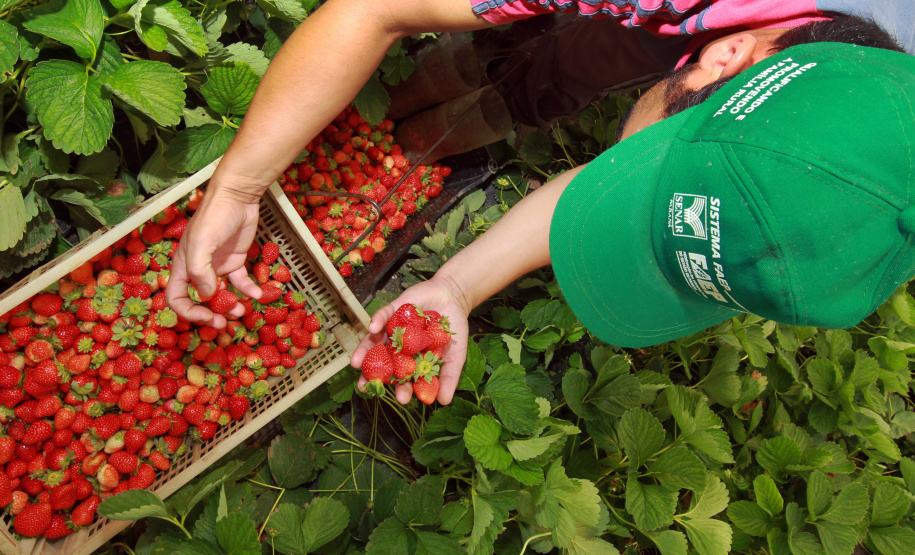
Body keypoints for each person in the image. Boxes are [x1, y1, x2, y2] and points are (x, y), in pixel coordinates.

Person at [164, 0, 915, 405]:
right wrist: (237, 185)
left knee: (597, 83)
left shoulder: (884, 131)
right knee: (585, 52)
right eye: (646, 168)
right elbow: (375, 6)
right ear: (725, 56)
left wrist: (453, 286)